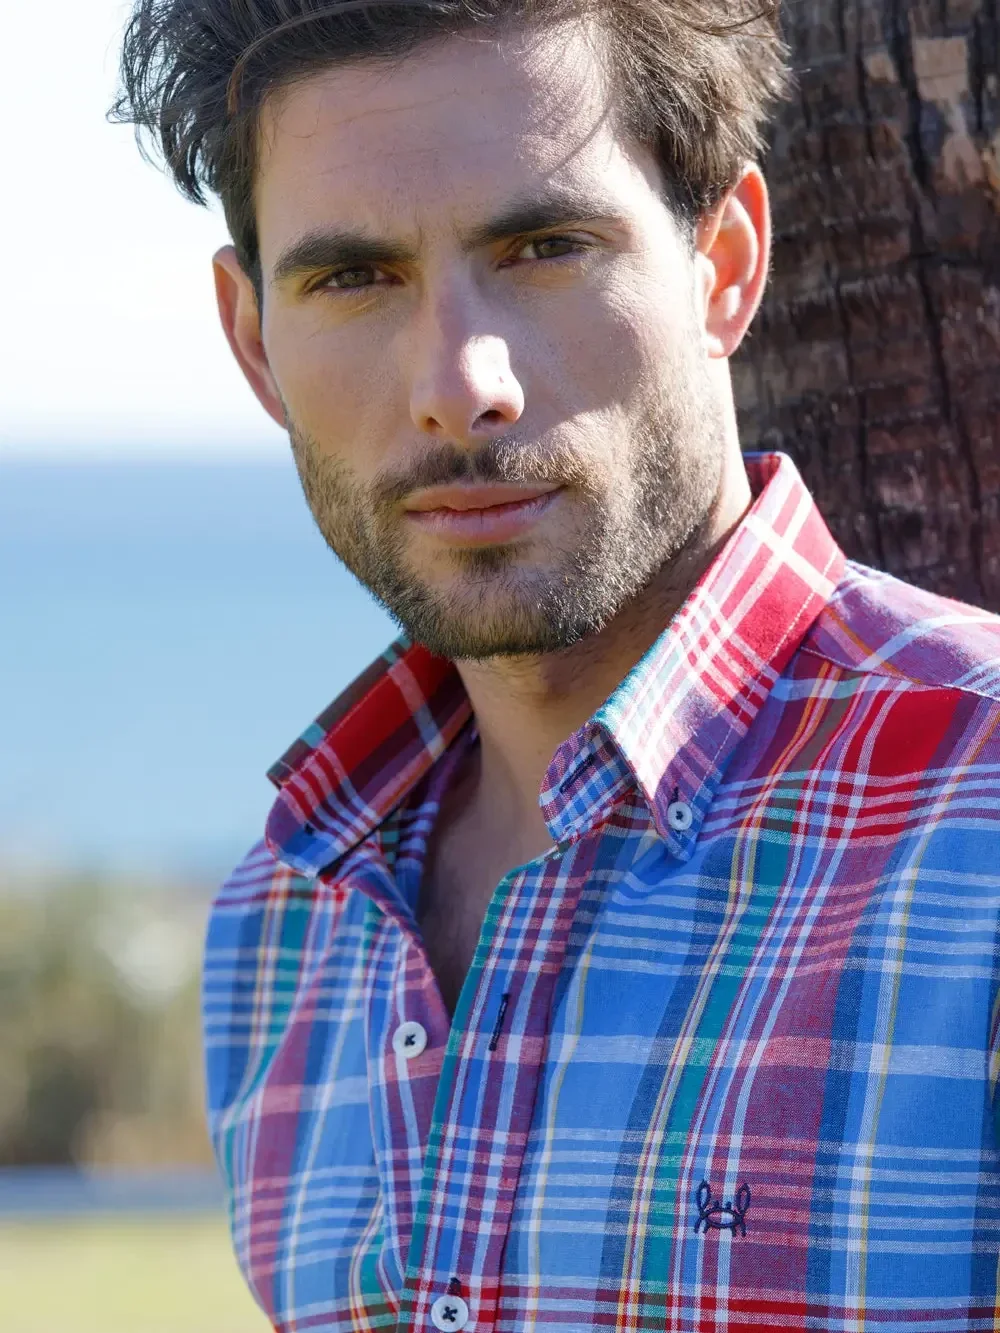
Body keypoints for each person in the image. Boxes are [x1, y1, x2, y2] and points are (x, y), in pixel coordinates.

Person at [114, 0, 1000, 1327]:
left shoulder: (979, 815)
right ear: (255, 343)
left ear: (724, 264)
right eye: (352, 278)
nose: (460, 383)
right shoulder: (282, 925)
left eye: (543, 248)